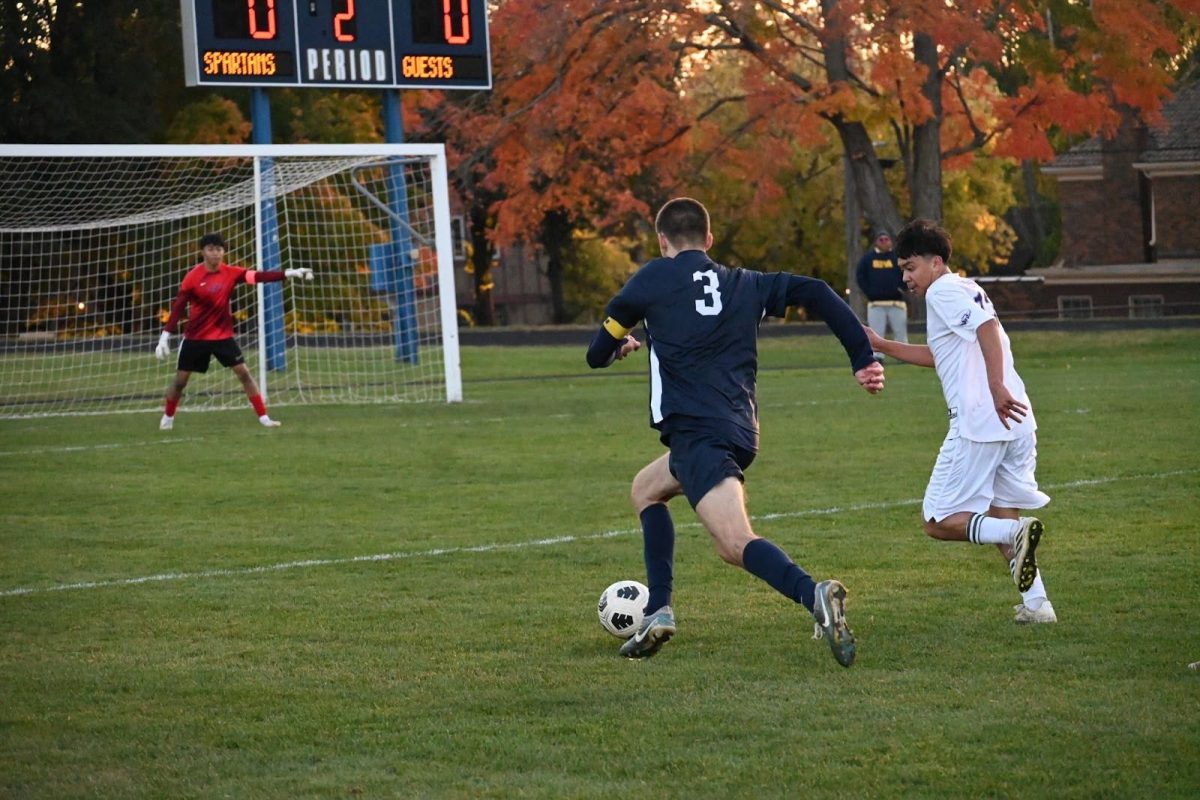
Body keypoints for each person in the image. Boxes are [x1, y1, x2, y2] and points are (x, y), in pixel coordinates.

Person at [585, 198, 885, 666]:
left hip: (696, 433)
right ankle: (659, 609)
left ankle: (815, 594)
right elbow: (820, 292)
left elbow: (595, 353)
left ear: (662, 241)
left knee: (734, 544)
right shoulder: (746, 283)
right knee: (646, 489)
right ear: (708, 240)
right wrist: (862, 358)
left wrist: (619, 345)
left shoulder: (650, 280)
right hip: (739, 429)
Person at [865, 218, 1055, 624]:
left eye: (910, 267)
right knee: (1003, 516)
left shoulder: (944, 292)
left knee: (938, 520)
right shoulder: (966, 289)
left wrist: (995, 386)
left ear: (936, 263)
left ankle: (1015, 539)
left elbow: (986, 329)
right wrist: (882, 345)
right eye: (901, 269)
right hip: (1016, 421)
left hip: (982, 419)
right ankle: (1038, 605)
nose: (906, 277)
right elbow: (940, 355)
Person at [155, 233, 312, 430]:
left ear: (223, 252)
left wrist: (288, 273)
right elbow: (178, 307)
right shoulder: (192, 277)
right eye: (211, 249)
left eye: (219, 249)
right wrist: (164, 337)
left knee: (244, 373)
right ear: (202, 252)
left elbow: (257, 276)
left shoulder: (231, 273)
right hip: (196, 337)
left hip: (223, 336)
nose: (216, 253)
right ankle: (168, 417)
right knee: (180, 381)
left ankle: (264, 418)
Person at [856, 229, 908, 360]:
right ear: (876, 242)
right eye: (881, 240)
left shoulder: (897, 258)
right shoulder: (867, 259)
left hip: (897, 303)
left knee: (900, 330)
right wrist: (869, 292)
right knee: (876, 332)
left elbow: (907, 272)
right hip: (876, 304)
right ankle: (878, 357)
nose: (884, 242)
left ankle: (903, 356)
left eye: (886, 239)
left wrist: (903, 288)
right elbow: (860, 276)